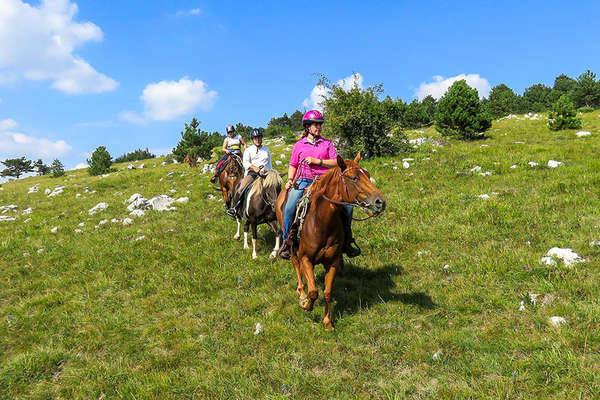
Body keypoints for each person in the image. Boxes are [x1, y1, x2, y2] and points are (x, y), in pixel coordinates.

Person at [278, 110, 360, 260]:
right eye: (316, 124)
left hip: (325, 182)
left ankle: (347, 241)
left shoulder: (327, 143)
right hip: (304, 180)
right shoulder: (299, 145)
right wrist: (290, 180)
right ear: (308, 126)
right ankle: (286, 242)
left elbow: (336, 162)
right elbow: (293, 164)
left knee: (348, 207)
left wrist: (318, 162)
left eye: (320, 124)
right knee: (289, 207)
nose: (319, 127)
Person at [226, 129, 272, 218]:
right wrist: (253, 167)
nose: (257, 139)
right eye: (255, 138)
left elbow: (269, 164)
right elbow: (245, 163)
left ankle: (278, 207)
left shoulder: (266, 150)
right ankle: (235, 208)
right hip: (252, 174)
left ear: (261, 138)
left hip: (266, 173)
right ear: (252, 139)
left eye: (259, 137)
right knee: (241, 187)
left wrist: (272, 173)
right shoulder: (248, 150)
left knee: (275, 186)